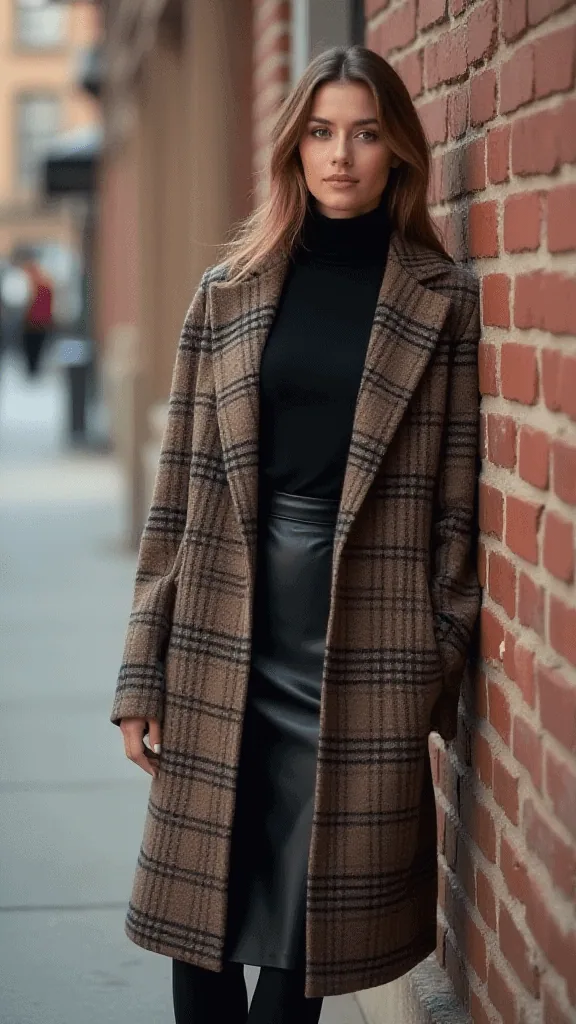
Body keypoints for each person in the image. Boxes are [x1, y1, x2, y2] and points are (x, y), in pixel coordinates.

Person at [110, 45, 481, 1023]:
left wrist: (432, 658)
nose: (342, 155)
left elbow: (455, 508)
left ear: (397, 148)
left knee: (302, 934)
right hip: (225, 631)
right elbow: (178, 498)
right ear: (294, 148)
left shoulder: (441, 304)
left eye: (364, 132)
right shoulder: (227, 294)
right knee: (205, 919)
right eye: (321, 132)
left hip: (361, 650)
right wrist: (141, 671)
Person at [19, 255, 53, 377]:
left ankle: (32, 370)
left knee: (32, 348)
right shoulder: (45, 285)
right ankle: (33, 370)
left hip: (34, 322)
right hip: (39, 322)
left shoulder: (35, 286)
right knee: (35, 348)